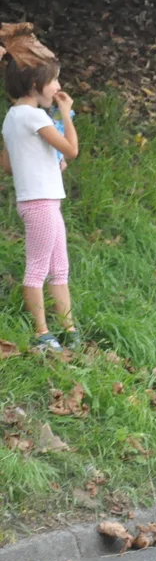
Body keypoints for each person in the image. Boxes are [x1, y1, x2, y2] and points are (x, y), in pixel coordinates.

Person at [0, 26, 81, 353]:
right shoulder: (35, 118)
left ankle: (69, 328)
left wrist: (47, 161)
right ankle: (42, 334)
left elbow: (8, 165)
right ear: (35, 85)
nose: (58, 86)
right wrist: (66, 115)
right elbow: (72, 150)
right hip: (41, 203)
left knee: (59, 267)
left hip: (41, 201)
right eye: (54, 80)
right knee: (38, 269)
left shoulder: (12, 117)